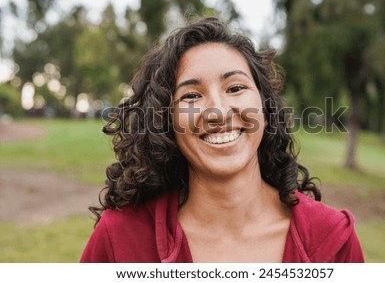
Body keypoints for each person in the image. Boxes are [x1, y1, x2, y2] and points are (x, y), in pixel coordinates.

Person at [80, 17, 364, 263]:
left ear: (266, 107)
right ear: (165, 122)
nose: (217, 111)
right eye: (191, 95)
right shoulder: (120, 238)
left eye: (236, 87)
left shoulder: (334, 239)